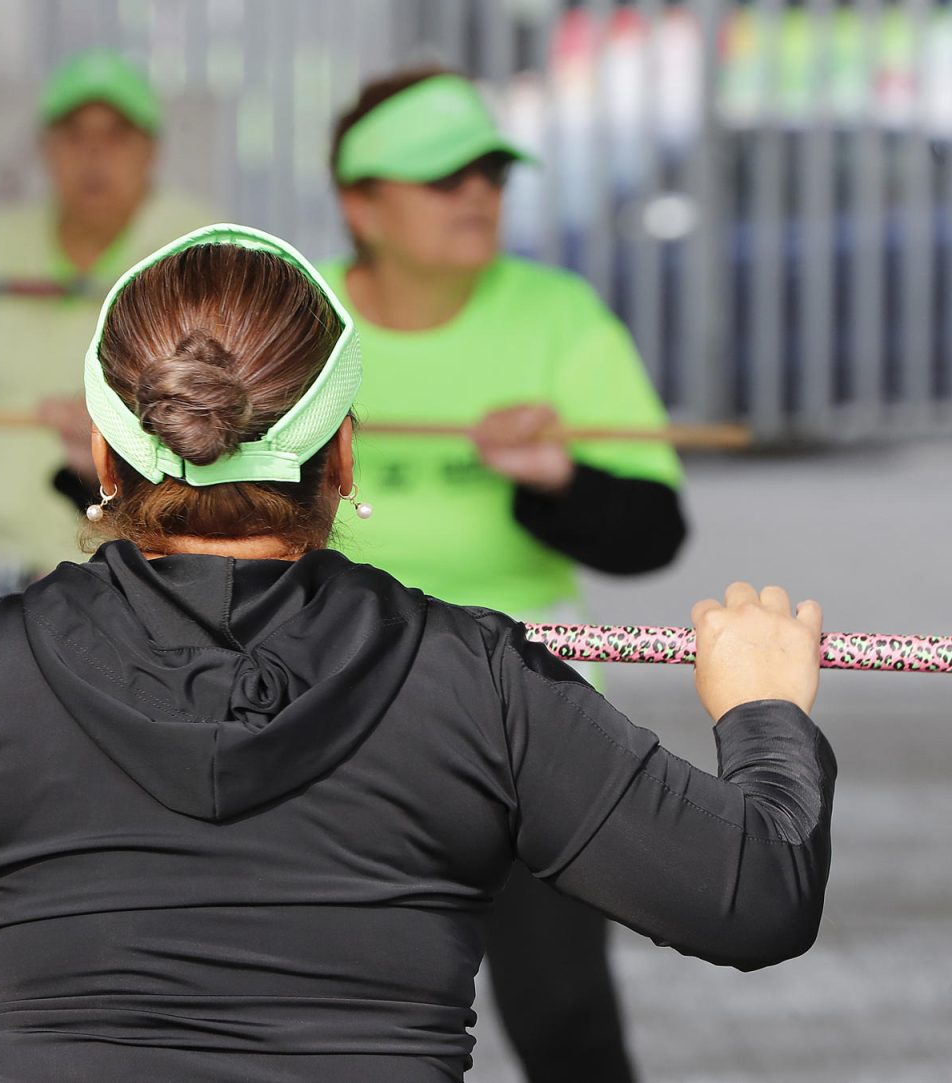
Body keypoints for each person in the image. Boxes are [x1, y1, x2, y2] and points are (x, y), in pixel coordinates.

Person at [0, 224, 836, 1083]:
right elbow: (756, 898)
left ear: (106, 465)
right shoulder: (480, 682)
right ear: (345, 460)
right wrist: (763, 708)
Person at [322, 68, 687, 1081]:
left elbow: (651, 531)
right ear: (361, 203)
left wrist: (558, 480)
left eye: (490, 169)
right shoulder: (294, 320)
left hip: (533, 710)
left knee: (565, 1018)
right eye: (443, 175)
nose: (476, 192)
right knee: (342, 1027)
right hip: (327, 708)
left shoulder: (556, 316)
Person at [0, 48, 215, 1079]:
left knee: (113, 809)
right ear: (50, 150)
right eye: (76, 137)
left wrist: (121, 436)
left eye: (118, 137)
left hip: (126, 565)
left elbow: (220, 409)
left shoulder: (192, 248)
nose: (95, 158)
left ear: (150, 150)